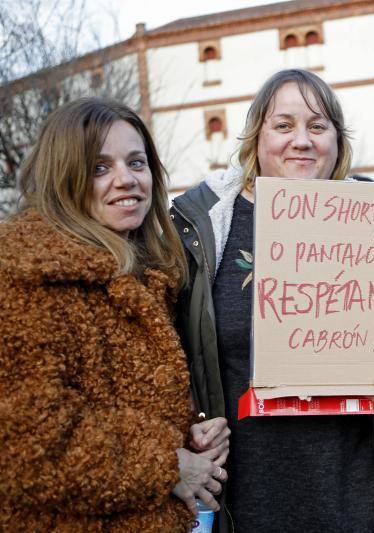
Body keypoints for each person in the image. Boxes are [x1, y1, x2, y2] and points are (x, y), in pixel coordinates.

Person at [171, 69, 374, 532]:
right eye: (284, 126)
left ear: (338, 140)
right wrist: (184, 428)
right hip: (249, 494)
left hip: (360, 487)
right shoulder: (204, 225)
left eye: (318, 126)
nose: (302, 141)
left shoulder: (373, 221)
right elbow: (174, 347)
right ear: (257, 136)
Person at [0, 98, 229, 530]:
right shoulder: (24, 274)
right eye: (99, 167)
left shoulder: (147, 273)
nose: (126, 180)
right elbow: (25, 443)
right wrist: (168, 462)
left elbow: (124, 404)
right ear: (63, 176)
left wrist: (189, 433)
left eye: (136, 162)